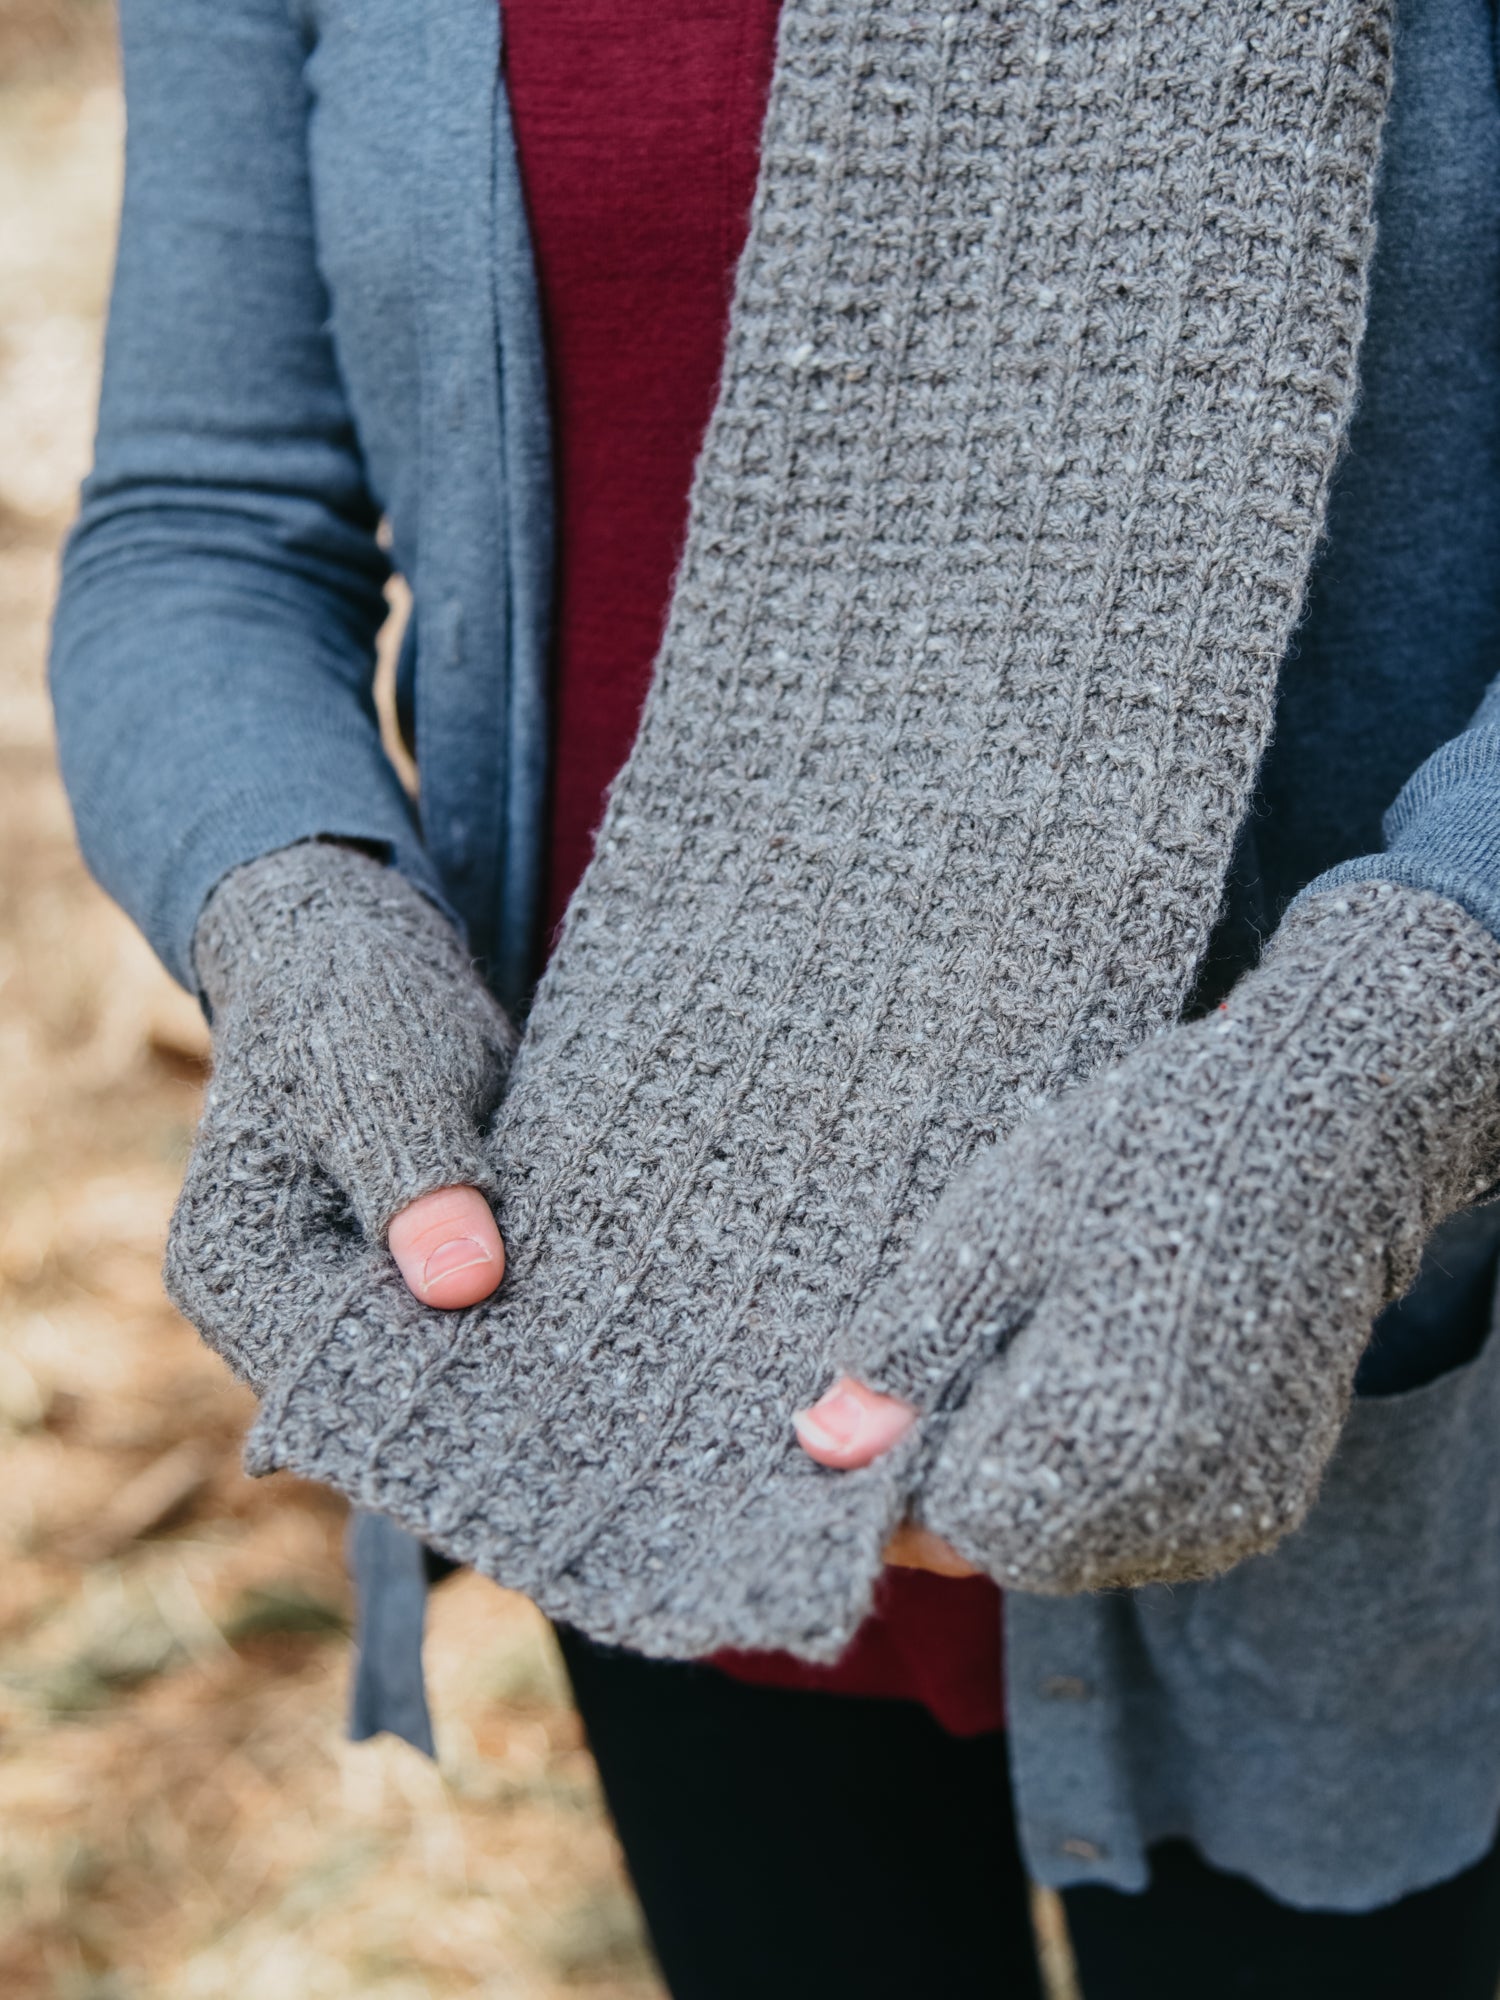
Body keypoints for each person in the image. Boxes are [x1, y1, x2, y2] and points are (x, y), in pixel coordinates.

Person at [48, 0, 1500, 1994]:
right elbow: (197, 532)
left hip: (1336, 1380)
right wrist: (293, 906)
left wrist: (1380, 1073)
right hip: (617, 1322)